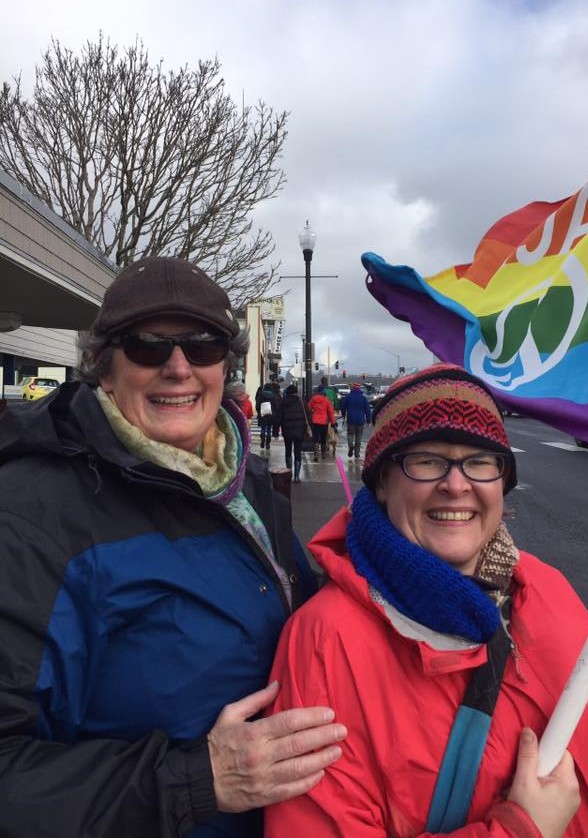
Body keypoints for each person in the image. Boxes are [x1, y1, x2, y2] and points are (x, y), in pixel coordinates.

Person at [265, 364, 588, 837]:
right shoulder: (324, 643)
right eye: (427, 460)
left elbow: (569, 744)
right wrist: (518, 830)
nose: (457, 484)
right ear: (382, 482)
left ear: (502, 481)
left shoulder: (545, 586)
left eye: (481, 461)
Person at [0, 256, 346, 837]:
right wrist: (196, 780)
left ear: (224, 367)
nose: (179, 367)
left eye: (204, 346)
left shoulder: (243, 478)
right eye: (148, 346)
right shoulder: (30, 514)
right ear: (104, 369)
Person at [279, 383, 308, 483]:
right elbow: (307, 416)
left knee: (288, 451)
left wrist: (276, 430)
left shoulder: (283, 402)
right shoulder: (301, 402)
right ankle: (296, 476)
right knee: (297, 452)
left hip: (287, 430)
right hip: (299, 431)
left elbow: (279, 417)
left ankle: (289, 473)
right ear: (296, 392)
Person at [340, 381, 372, 461]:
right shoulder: (363, 398)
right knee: (359, 437)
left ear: (353, 388)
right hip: (360, 420)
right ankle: (357, 454)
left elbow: (343, 407)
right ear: (359, 388)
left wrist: (343, 414)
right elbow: (367, 410)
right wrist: (368, 420)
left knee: (350, 435)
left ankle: (351, 446)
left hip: (351, 420)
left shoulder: (348, 397)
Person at [307, 384, 336, 462]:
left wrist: (312, 415)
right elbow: (330, 412)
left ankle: (316, 454)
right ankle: (323, 454)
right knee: (323, 438)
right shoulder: (326, 400)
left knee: (315, 438)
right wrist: (333, 422)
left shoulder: (313, 399)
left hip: (315, 421)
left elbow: (308, 408)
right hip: (324, 422)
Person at [255, 379, 280, 451]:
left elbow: (257, 405)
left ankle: (262, 440)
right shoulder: (273, 396)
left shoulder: (261, 395)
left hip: (263, 414)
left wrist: (259, 412)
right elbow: (275, 406)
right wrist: (274, 413)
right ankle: (268, 443)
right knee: (269, 429)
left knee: (263, 428)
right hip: (270, 415)